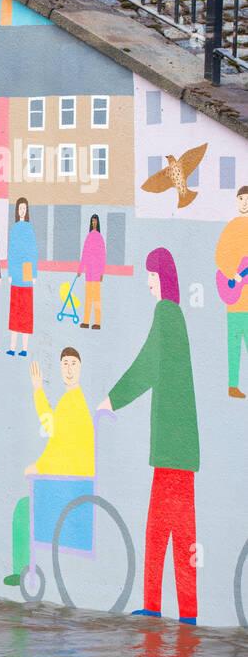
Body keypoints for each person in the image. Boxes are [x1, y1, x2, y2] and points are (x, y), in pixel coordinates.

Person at [99, 248, 200, 624]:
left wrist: (112, 399)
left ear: (163, 277)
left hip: (172, 448)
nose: (147, 282)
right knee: (180, 532)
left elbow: (146, 365)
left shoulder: (166, 314)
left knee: (160, 529)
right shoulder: (175, 317)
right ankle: (184, 613)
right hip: (181, 449)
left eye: (151, 275)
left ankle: (156, 606)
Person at [4, 348, 94, 586]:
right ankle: (23, 570)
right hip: (68, 482)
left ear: (81, 367)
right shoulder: (70, 400)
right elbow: (54, 430)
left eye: (73, 363)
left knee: (23, 509)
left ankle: (22, 571)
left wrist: (38, 467)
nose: (69, 369)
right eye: (65, 363)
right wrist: (38, 390)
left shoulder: (75, 403)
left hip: (68, 486)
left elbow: (62, 446)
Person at [215, 186, 248, 398]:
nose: (244, 202)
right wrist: (232, 275)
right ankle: (233, 386)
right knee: (234, 346)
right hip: (235, 302)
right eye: (241, 199)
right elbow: (220, 257)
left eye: (247, 199)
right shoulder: (232, 227)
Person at [6, 196, 38, 357]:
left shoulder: (29, 228)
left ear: (27, 210)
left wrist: (34, 274)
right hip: (16, 271)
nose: (22, 211)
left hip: (26, 270)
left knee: (25, 310)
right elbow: (11, 252)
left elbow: (33, 251)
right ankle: (12, 347)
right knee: (15, 310)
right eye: (20, 208)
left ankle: (24, 348)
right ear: (17, 210)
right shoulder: (14, 228)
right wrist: (10, 273)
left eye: (24, 208)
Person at [77, 214, 105, 330]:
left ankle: (97, 322)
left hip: (96, 274)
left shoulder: (99, 237)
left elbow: (103, 256)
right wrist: (80, 270)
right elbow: (84, 255)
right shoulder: (89, 237)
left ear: (97, 223)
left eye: (95, 222)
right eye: (92, 222)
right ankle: (86, 321)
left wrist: (102, 272)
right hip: (88, 274)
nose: (94, 223)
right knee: (88, 299)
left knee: (96, 299)